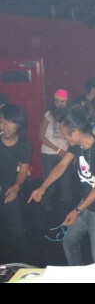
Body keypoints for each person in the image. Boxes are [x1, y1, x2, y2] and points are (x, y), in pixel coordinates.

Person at [29, 106, 95, 266]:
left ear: (76, 132)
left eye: (65, 134)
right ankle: (76, 274)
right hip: (86, 203)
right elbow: (62, 165)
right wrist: (43, 187)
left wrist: (77, 211)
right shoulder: (77, 145)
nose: (64, 138)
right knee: (69, 241)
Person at [0, 104, 32, 263]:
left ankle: (23, 267)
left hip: (8, 191)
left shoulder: (24, 145)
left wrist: (17, 186)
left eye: (9, 121)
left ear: (18, 124)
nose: (4, 125)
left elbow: (23, 170)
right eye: (1, 121)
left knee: (17, 234)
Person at [38, 89, 74, 208]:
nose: (59, 104)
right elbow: (40, 136)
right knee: (50, 187)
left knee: (67, 187)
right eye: (57, 101)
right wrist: (58, 150)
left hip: (65, 154)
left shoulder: (69, 116)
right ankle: (45, 212)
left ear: (67, 102)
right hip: (49, 153)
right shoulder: (49, 114)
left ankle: (67, 213)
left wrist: (71, 153)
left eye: (62, 102)